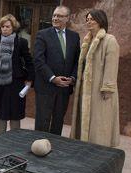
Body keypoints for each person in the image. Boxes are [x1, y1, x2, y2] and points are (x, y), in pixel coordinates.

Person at [70, 9, 120, 147]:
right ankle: (84, 146)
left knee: (99, 121)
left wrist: (107, 88)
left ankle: (98, 149)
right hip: (85, 90)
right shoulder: (87, 41)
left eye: (92, 19)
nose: (89, 21)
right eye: (87, 19)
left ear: (100, 21)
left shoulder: (109, 40)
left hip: (100, 90)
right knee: (86, 119)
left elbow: (112, 66)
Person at [33, 5, 80, 136]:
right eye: (54, 15)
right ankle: (39, 149)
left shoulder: (74, 37)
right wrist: (53, 78)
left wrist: (72, 78)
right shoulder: (42, 35)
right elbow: (38, 60)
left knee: (58, 122)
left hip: (64, 88)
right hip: (45, 87)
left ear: (67, 18)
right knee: (42, 123)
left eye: (59, 16)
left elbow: (78, 61)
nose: (55, 18)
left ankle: (54, 151)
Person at [0, 14, 34, 134]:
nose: (5, 29)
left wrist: (30, 78)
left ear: (13, 27)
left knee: (15, 113)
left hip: (16, 83)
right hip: (0, 84)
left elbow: (29, 61)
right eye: (2, 26)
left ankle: (14, 139)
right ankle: (1, 138)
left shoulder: (21, 42)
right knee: (1, 113)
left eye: (7, 26)